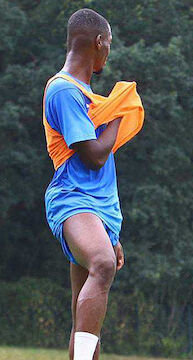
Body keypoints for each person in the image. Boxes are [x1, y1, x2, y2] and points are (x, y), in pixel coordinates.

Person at [43, 9, 125, 360]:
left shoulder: (88, 96)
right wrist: (122, 117)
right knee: (102, 265)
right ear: (99, 43)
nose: (108, 52)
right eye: (109, 45)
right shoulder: (63, 90)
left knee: (85, 319)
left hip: (100, 209)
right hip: (73, 200)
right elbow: (93, 155)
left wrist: (112, 235)